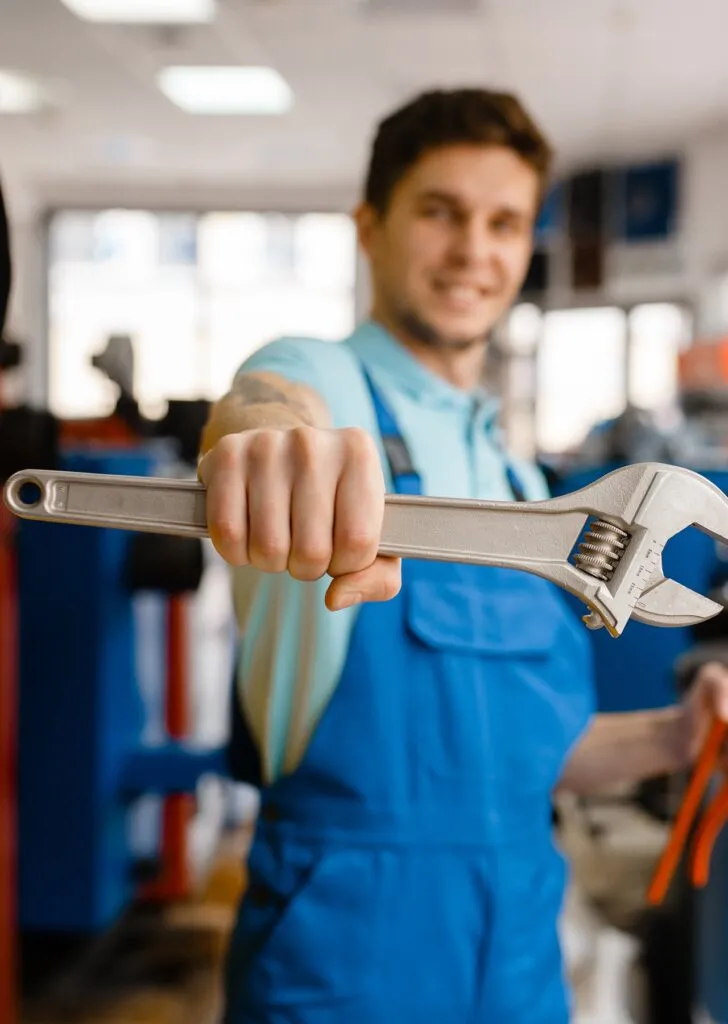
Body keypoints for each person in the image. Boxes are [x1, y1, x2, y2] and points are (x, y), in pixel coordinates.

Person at [199, 89, 728, 1022]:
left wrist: (675, 737)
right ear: (371, 228)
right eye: (440, 212)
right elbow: (266, 403)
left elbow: (532, 749)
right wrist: (270, 444)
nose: (473, 250)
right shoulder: (326, 379)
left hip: (519, 952)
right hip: (347, 953)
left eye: (504, 222)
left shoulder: (521, 480)